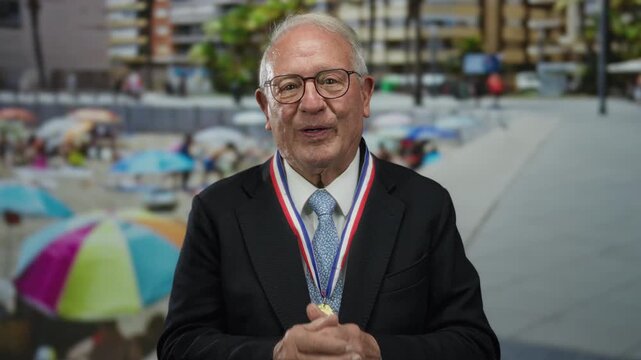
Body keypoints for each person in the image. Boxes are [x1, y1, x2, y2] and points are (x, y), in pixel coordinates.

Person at [158, 13, 499, 360]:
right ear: (265, 108)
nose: (311, 103)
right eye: (289, 87)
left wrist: (378, 351)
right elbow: (180, 344)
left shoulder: (426, 204)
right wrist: (274, 355)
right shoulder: (217, 211)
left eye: (331, 81)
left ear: (365, 95)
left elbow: (475, 343)